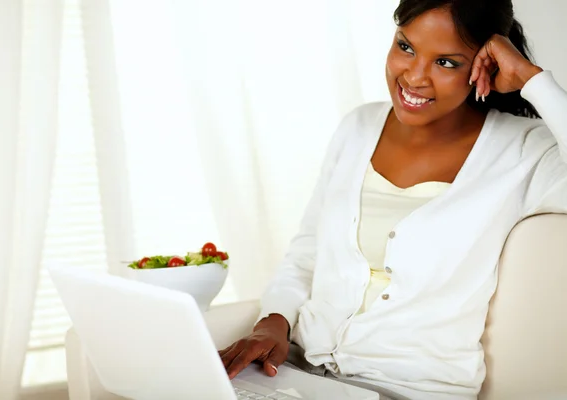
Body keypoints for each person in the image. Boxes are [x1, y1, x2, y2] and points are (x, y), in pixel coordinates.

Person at [219, 0, 567, 399]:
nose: (414, 76)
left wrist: (533, 81)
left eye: (447, 63)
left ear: (485, 64)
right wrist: (272, 324)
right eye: (406, 46)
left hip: (410, 390)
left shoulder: (524, 150)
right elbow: (309, 249)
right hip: (298, 373)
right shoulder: (359, 126)